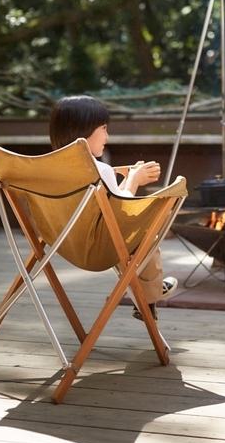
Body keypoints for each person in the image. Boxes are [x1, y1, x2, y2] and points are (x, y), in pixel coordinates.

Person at [49, 95, 178, 321]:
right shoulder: (99, 170)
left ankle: (148, 291)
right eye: (104, 128)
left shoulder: (50, 171)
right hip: (100, 251)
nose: (107, 136)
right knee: (145, 232)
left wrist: (127, 180)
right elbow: (122, 211)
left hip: (63, 246)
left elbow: (107, 206)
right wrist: (134, 181)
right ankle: (148, 294)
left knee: (125, 232)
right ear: (84, 129)